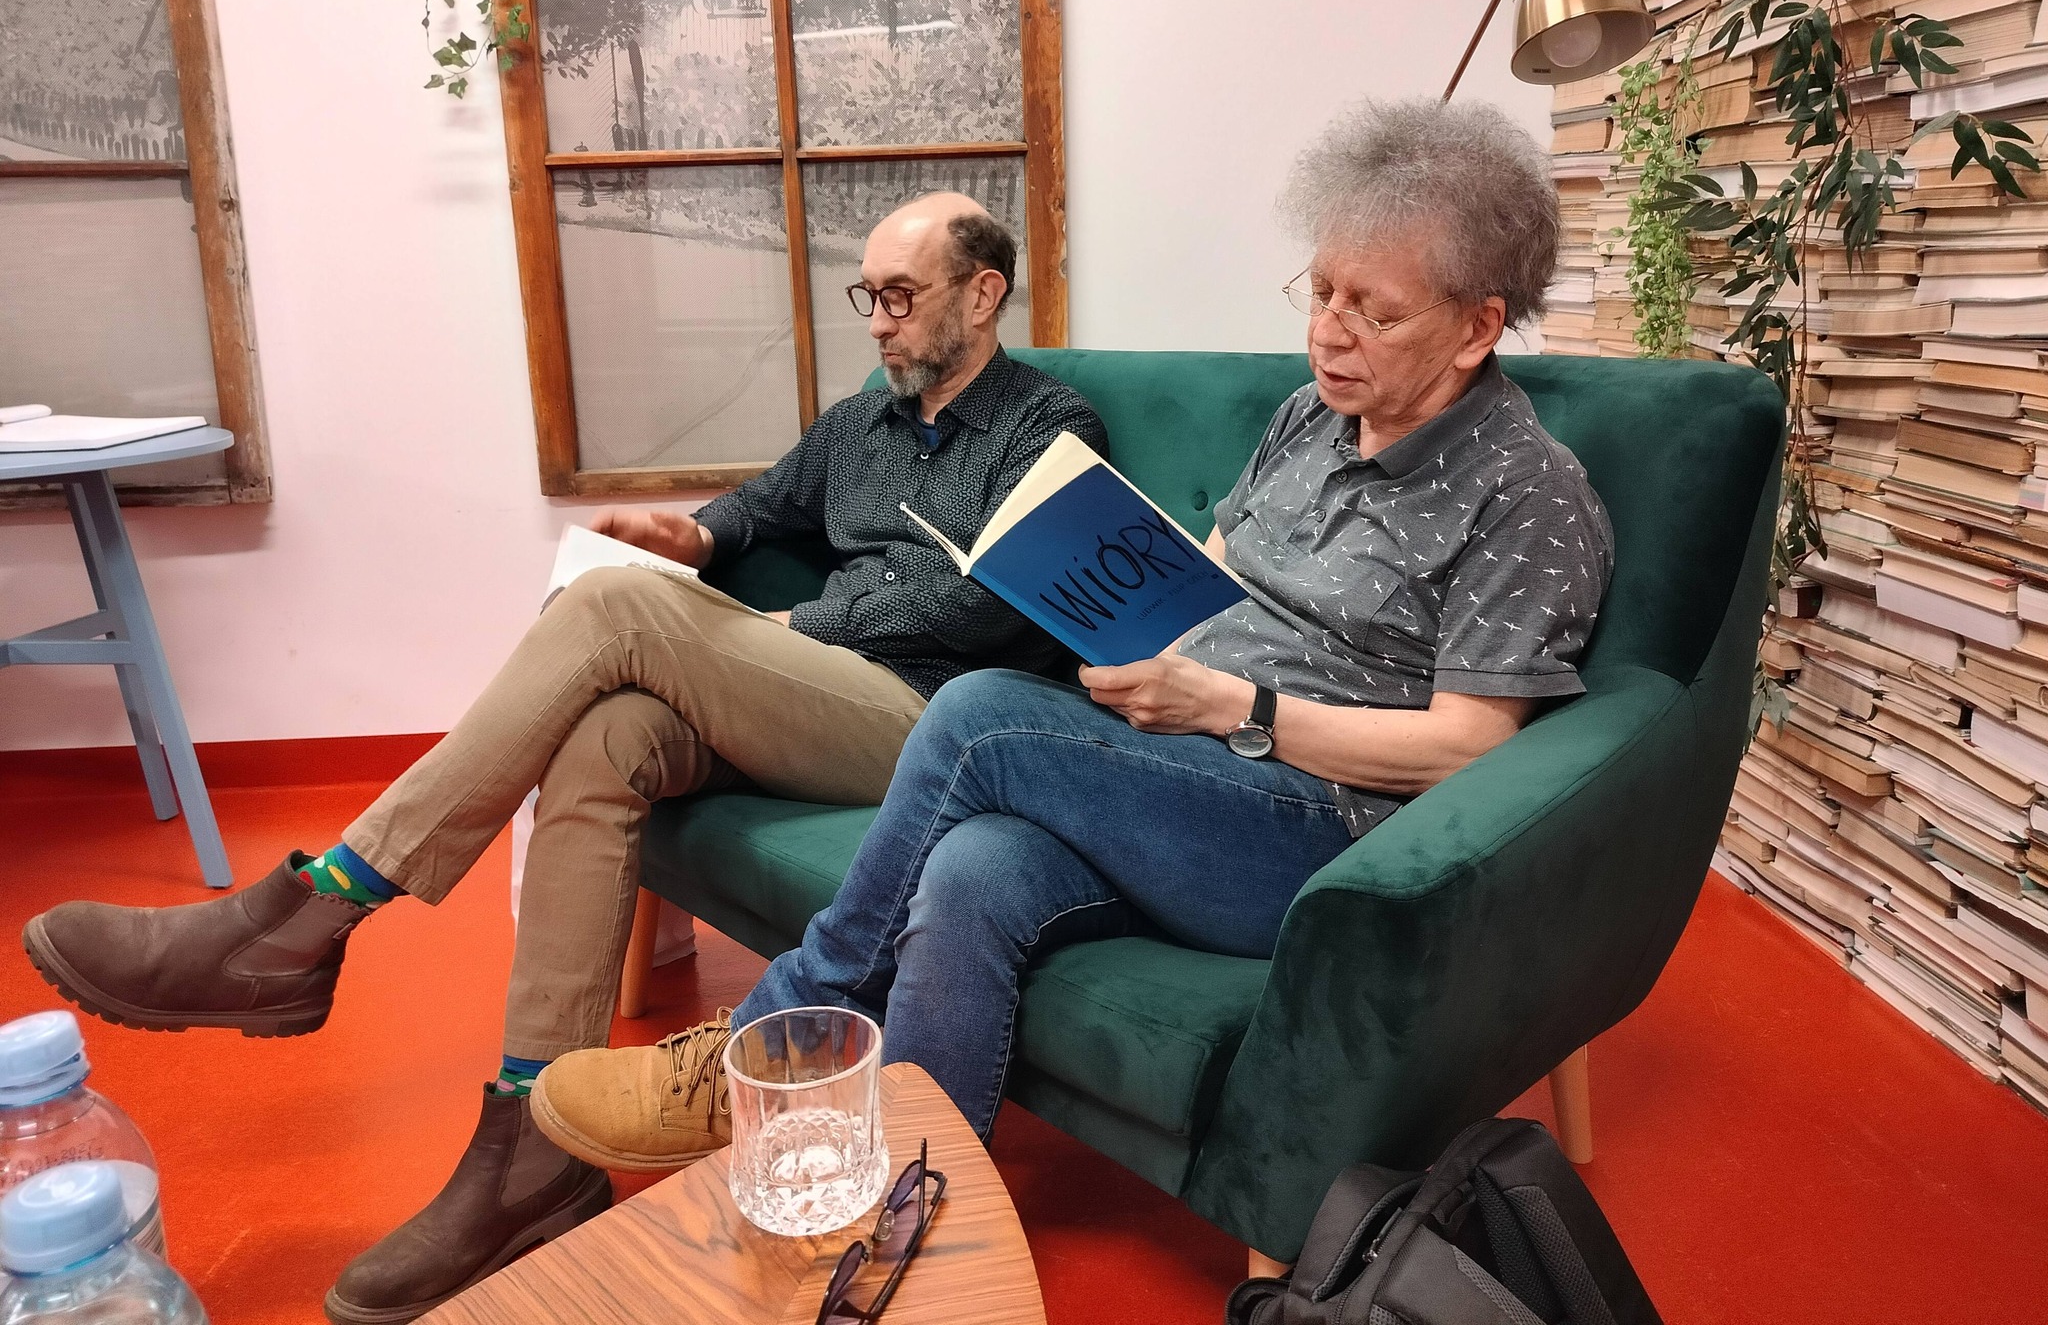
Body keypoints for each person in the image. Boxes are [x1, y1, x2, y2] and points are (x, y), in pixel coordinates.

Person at [19, 192, 1107, 1325]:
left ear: (982, 294)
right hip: (807, 697)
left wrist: (792, 626)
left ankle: (312, 907)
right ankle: (534, 1144)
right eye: (866, 296)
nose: (876, 321)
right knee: (606, 735)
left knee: (614, 610)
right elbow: (750, 514)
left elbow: (998, 602)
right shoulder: (859, 425)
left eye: (901, 297)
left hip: (933, 723)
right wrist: (690, 535)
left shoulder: (1048, 427)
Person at [527, 96, 1617, 1169]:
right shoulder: (1310, 415)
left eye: (1374, 313)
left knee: (981, 715)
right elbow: (1214, 574)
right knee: (974, 869)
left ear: (1477, 327)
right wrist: (1137, 632)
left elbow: (1470, 747)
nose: (1327, 332)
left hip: (1326, 828)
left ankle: (772, 1044)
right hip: (1186, 769)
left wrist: (1234, 705)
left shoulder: (1528, 492)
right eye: (1322, 290)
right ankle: (916, 1200)